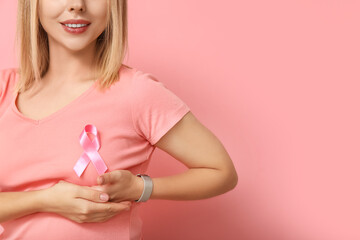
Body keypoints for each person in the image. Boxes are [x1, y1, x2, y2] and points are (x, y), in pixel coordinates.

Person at [0, 0, 238, 239]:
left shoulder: (137, 93)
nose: (77, 5)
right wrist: (45, 200)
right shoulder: (4, 89)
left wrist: (140, 188)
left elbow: (221, 171)